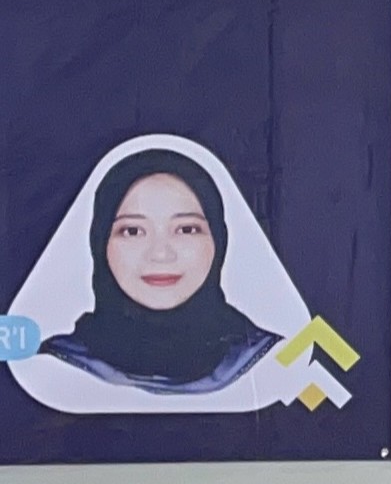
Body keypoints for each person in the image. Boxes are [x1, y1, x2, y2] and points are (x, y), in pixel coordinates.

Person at [37, 147, 281, 393]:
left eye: (186, 230)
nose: (161, 254)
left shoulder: (272, 363)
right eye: (133, 231)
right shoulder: (50, 370)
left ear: (218, 240)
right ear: (100, 243)